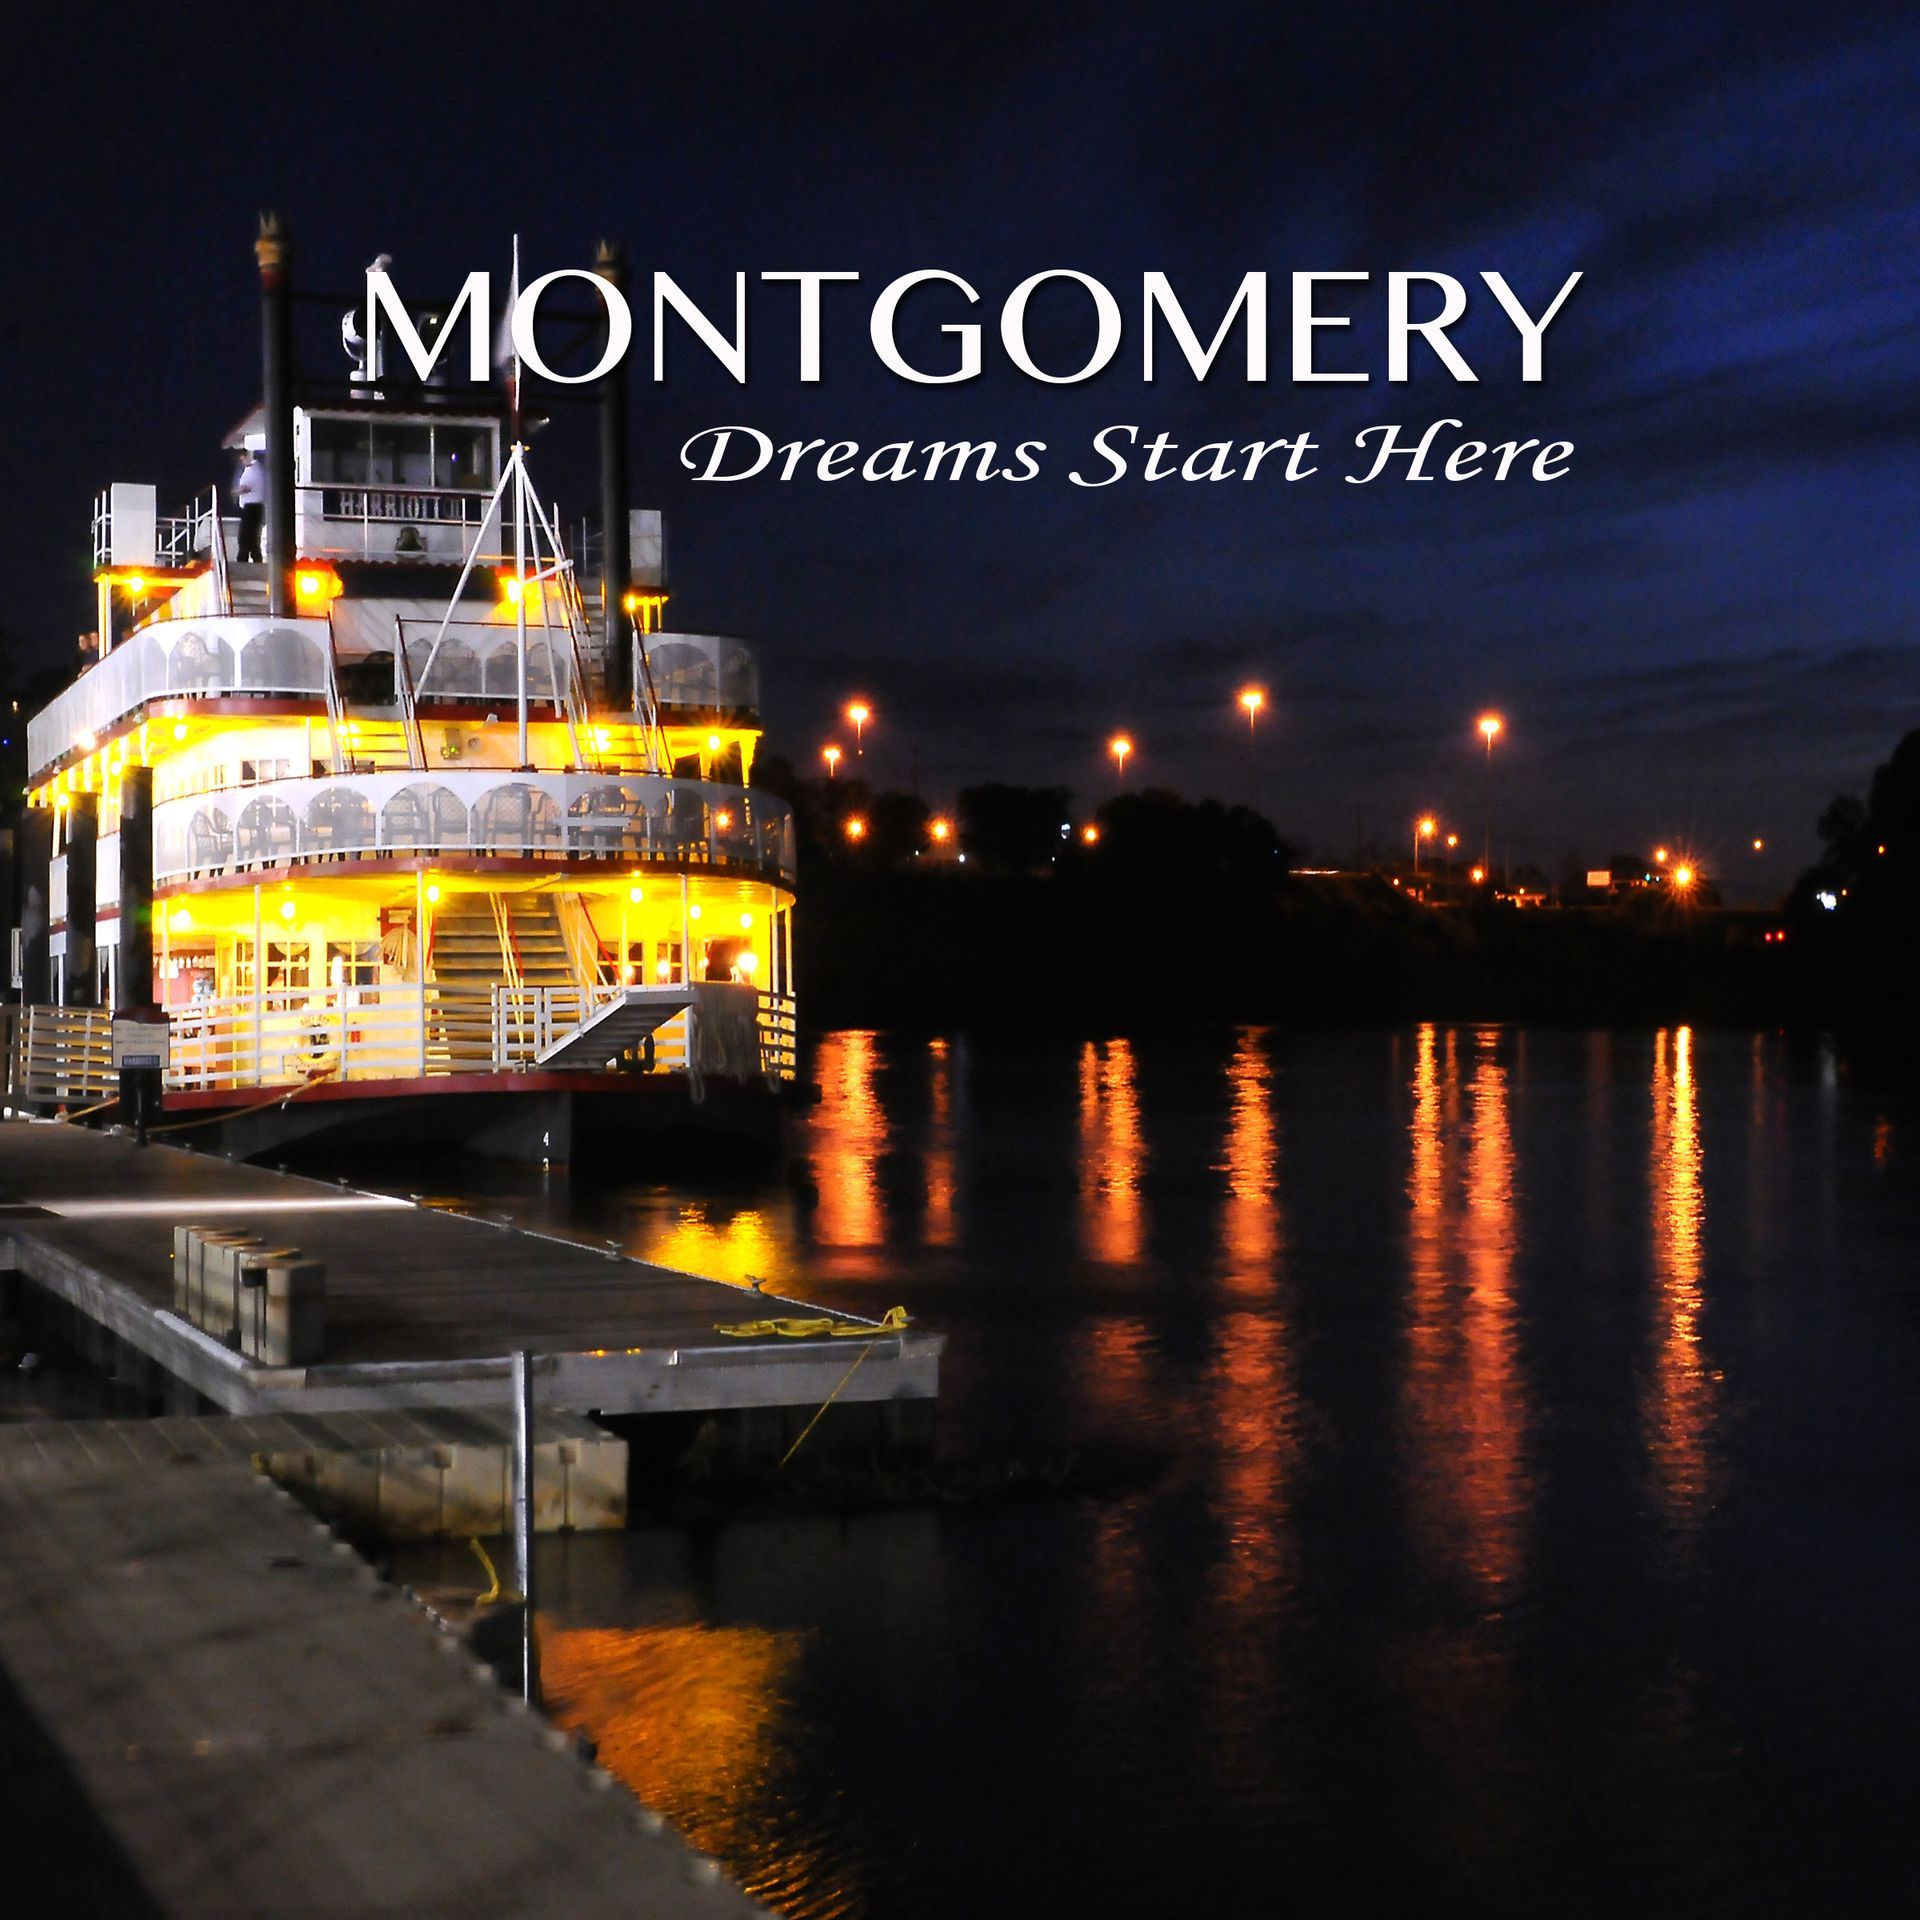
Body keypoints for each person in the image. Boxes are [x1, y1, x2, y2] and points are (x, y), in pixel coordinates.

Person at [235, 448, 268, 562]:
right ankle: (253, 558)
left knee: (245, 536)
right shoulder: (257, 469)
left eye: (242, 459)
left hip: (251, 507)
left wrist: (235, 492)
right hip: (255, 507)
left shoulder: (253, 469)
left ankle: (243, 560)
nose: (242, 462)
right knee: (252, 536)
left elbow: (247, 487)